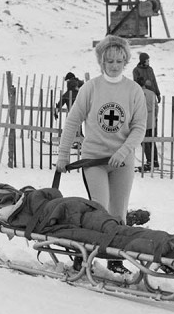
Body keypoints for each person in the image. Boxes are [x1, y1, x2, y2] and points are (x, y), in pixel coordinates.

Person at [56, 35, 147, 270]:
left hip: (121, 162)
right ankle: (83, 255)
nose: (114, 66)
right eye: (109, 61)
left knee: (118, 213)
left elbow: (139, 128)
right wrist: (63, 156)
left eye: (119, 61)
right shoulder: (91, 88)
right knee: (99, 210)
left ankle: (116, 260)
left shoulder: (134, 90)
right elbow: (73, 121)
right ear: (102, 62)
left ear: (125, 61)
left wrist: (124, 151)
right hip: (94, 160)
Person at [137, 77, 160, 171]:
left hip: (142, 118)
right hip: (152, 119)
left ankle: (149, 161)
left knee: (144, 141)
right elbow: (156, 107)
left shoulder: (138, 94)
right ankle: (155, 161)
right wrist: (155, 117)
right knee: (151, 140)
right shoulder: (152, 93)